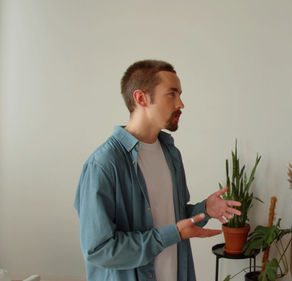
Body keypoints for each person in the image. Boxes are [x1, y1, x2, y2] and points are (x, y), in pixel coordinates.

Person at [74, 60, 241, 281]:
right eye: (171, 94)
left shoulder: (171, 153)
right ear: (141, 98)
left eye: (180, 94)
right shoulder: (104, 163)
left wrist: (205, 210)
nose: (181, 103)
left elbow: (172, 220)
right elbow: (98, 249)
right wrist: (174, 234)